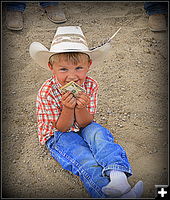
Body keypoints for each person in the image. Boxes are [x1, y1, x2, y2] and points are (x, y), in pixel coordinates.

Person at [29, 26, 144, 198]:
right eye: (63, 69)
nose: (72, 76)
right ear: (51, 68)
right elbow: (61, 128)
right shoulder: (47, 91)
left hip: (82, 126)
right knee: (83, 157)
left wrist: (81, 107)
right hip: (58, 135)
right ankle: (107, 193)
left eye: (78, 68)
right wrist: (68, 108)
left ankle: (118, 177)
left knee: (99, 133)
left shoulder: (91, 85)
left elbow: (86, 123)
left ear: (88, 65)